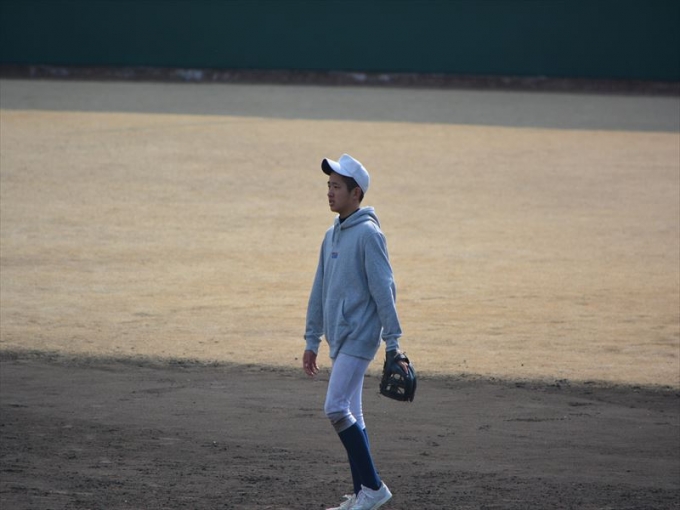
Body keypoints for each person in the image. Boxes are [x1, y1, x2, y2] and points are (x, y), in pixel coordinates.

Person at [303, 154, 409, 510]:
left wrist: (393, 344)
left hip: (361, 336)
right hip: (340, 337)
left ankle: (375, 488)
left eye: (337, 187)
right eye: (328, 186)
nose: (329, 192)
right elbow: (319, 289)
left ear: (356, 193)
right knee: (352, 412)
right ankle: (363, 493)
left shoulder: (369, 235)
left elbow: (385, 289)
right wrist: (312, 339)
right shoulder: (330, 235)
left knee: (335, 407)